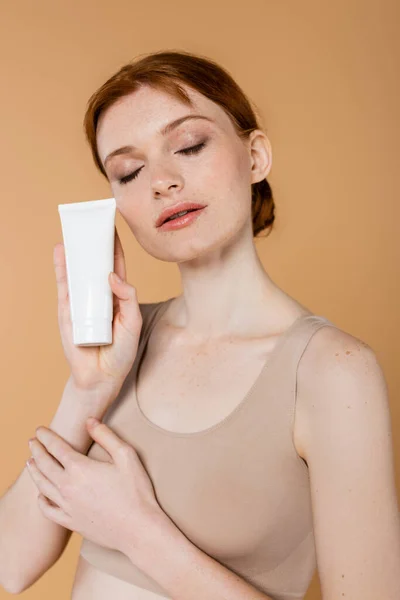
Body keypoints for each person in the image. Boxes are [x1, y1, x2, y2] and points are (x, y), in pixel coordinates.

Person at [6, 49, 399, 600]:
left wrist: (138, 533)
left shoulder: (332, 371)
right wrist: (88, 389)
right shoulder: (121, 342)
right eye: (129, 171)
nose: (162, 181)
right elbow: (8, 565)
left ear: (256, 155)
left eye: (189, 146)